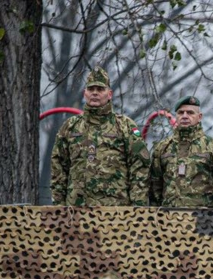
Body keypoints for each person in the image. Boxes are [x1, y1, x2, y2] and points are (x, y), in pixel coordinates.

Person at [50, 67, 150, 207]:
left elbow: (139, 166)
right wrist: (59, 206)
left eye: (100, 89)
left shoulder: (125, 126)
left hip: (115, 211)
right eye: (91, 89)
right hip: (76, 210)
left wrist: (137, 207)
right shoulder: (71, 127)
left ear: (109, 94)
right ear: (85, 93)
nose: (95, 93)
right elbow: (58, 167)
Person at [149, 95, 213, 207]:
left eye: (190, 113)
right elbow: (155, 187)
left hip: (204, 219)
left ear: (199, 117)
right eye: (180, 112)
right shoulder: (163, 148)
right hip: (169, 219)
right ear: (176, 116)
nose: (185, 116)